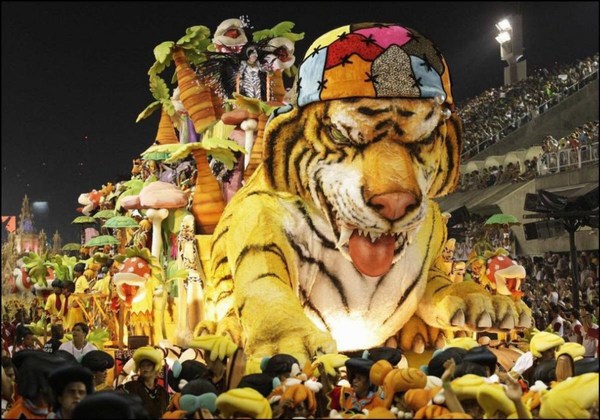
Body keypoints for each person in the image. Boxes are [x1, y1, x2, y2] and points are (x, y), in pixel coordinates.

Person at [119, 346, 170, 418]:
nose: (145, 368)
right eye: (142, 365)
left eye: (148, 365)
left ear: (155, 367)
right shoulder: (129, 388)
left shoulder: (163, 393)